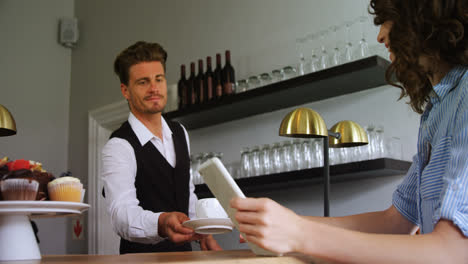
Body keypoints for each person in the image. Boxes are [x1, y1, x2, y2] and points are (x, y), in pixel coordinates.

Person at [231, 0, 468, 263]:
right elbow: (395, 222)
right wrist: (283, 223)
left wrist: (299, 233)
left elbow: (453, 251)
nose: (380, 36)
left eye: (388, 19)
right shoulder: (438, 109)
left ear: (424, 14)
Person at [101, 41, 221, 254]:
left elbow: (187, 193)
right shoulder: (119, 145)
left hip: (185, 257)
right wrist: (162, 222)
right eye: (143, 82)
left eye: (159, 79)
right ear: (125, 91)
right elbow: (121, 215)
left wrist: (203, 231)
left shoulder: (180, 132)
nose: (154, 88)